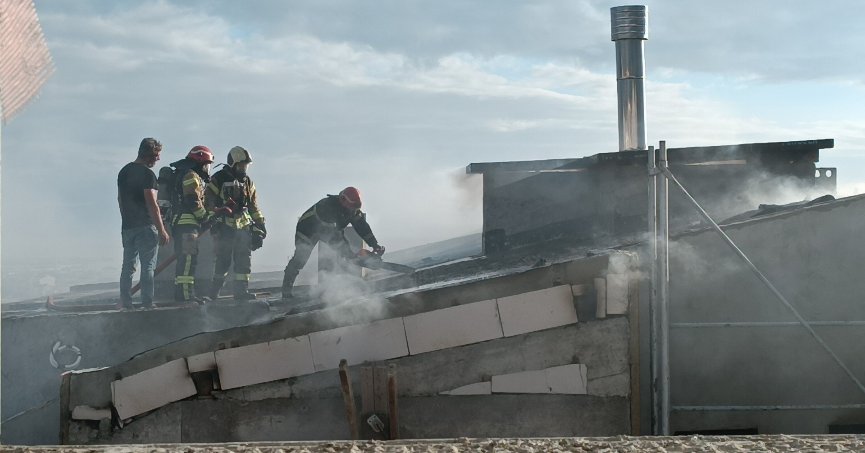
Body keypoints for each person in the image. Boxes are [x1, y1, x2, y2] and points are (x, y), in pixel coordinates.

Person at [281, 187, 385, 300]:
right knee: (300, 259)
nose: (352, 211)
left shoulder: (352, 209)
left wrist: (375, 245)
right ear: (343, 200)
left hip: (327, 230)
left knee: (344, 252)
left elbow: (363, 228)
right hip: (307, 230)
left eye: (355, 208)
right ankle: (286, 292)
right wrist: (350, 254)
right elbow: (334, 236)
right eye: (351, 207)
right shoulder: (326, 206)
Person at [205, 146, 266, 301]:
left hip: (243, 226)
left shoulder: (248, 182)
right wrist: (216, 214)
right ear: (233, 164)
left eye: (246, 165)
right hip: (224, 225)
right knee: (223, 261)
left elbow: (252, 205)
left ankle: (241, 292)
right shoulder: (218, 179)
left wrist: (260, 223)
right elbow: (208, 201)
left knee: (244, 261)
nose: (244, 168)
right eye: (241, 165)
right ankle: (214, 292)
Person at [170, 145, 230, 302]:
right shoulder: (191, 175)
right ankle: (185, 296)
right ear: (200, 162)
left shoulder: (187, 173)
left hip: (186, 224)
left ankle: (185, 294)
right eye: (206, 164)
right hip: (187, 226)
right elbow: (193, 201)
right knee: (188, 260)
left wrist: (213, 213)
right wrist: (205, 218)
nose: (207, 168)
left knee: (188, 260)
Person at [117, 138, 170, 309]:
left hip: (127, 227)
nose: (158, 159)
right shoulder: (148, 175)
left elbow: (120, 199)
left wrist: (126, 219)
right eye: (156, 155)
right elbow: (152, 203)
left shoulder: (123, 172)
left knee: (128, 267)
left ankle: (126, 302)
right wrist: (162, 230)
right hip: (146, 226)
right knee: (148, 266)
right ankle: (147, 303)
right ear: (149, 155)